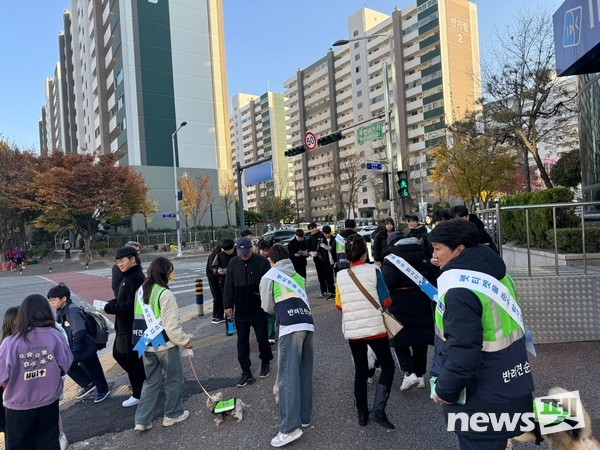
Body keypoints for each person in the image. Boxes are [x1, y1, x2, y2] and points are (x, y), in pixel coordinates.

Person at [429, 220, 533, 450]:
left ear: (459, 249)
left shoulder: (458, 290)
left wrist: (445, 390)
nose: (433, 255)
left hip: (480, 395)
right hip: (511, 378)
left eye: (438, 248)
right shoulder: (498, 275)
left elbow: (463, 352)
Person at [335, 234, 396, 429]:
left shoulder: (341, 275)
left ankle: (362, 414)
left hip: (354, 329)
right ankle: (378, 409)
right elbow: (386, 300)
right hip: (375, 328)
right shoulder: (374, 270)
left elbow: (339, 305)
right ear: (364, 253)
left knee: (360, 370)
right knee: (388, 366)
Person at [0, 294, 73, 450]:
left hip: (17, 407)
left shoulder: (10, 342)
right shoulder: (55, 335)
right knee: (48, 442)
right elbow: (65, 365)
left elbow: (1, 377)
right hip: (48, 403)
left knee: (19, 446)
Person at [260, 244, 314, 448]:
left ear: (271, 260)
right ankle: (304, 417)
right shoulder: (298, 275)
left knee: (287, 378)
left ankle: (290, 428)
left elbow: (267, 307)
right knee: (304, 372)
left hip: (289, 327)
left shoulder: (270, 276)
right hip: (308, 324)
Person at [133, 257, 193, 431]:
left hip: (145, 343)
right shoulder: (165, 294)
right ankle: (172, 414)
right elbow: (171, 326)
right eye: (170, 270)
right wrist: (185, 341)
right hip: (165, 345)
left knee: (151, 382)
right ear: (164, 272)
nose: (171, 274)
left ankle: (142, 420)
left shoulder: (140, 291)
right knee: (174, 380)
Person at [381, 233, 437, 391]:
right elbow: (432, 279)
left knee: (399, 339)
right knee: (420, 340)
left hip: (399, 303)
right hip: (422, 301)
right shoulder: (424, 257)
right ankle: (420, 376)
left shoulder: (391, 260)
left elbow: (388, 284)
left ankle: (409, 372)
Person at [47, 283, 110, 403]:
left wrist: (74, 352)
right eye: (50, 300)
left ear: (64, 298)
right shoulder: (61, 310)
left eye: (54, 300)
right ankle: (88, 383)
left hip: (85, 346)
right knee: (70, 366)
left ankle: (103, 390)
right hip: (75, 346)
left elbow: (79, 332)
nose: (52, 303)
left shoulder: (72, 312)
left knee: (94, 369)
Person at [223, 237, 273, 387]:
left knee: (262, 338)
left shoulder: (261, 262)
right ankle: (246, 371)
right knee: (242, 342)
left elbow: (269, 284)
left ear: (252, 248)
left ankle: (265, 361)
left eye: (246, 252)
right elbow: (228, 286)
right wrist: (227, 305)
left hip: (258, 309)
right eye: (241, 253)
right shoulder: (233, 263)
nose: (244, 255)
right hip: (241, 310)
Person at [104, 246, 146, 407]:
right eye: (117, 262)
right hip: (125, 326)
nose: (119, 264)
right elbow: (124, 300)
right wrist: (110, 303)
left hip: (130, 326)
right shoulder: (127, 277)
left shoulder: (135, 278)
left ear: (133, 259)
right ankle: (141, 385)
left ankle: (139, 391)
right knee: (127, 357)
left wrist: (109, 308)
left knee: (126, 357)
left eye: (122, 261)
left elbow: (130, 305)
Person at [257, 240, 277, 344]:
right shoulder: (255, 260)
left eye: (266, 250)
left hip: (269, 288)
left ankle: (271, 335)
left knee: (270, 311)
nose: (265, 252)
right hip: (258, 290)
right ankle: (264, 333)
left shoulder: (271, 260)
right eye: (263, 250)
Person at [306, 223, 329, 297]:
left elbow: (324, 245)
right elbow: (309, 247)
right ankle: (323, 291)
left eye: (313, 228)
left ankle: (328, 290)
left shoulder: (321, 235)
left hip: (323, 258)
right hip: (316, 258)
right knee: (320, 275)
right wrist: (310, 252)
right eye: (310, 228)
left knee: (326, 274)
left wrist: (318, 251)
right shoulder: (310, 237)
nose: (312, 230)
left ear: (316, 228)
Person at [206, 243, 225, 324]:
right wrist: (217, 271)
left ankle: (220, 315)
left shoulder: (220, 254)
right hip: (213, 279)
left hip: (217, 278)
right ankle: (216, 316)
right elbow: (212, 267)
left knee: (220, 296)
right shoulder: (214, 255)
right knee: (217, 297)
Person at [319, 225, 336, 299]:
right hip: (326, 261)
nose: (327, 235)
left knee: (337, 276)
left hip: (334, 260)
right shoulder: (321, 240)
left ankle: (338, 291)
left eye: (328, 233)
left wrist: (331, 249)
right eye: (325, 234)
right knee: (329, 277)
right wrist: (322, 258)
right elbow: (319, 251)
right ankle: (332, 292)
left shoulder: (334, 239)